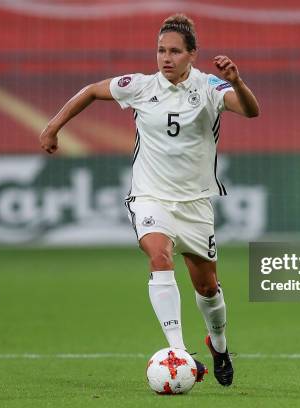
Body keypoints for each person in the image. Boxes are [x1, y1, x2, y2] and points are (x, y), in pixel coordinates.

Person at [39, 13, 259, 387]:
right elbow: (92, 90)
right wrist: (52, 126)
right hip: (149, 196)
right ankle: (178, 352)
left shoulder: (210, 87)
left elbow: (251, 110)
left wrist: (237, 81)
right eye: (160, 50)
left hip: (195, 204)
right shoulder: (139, 86)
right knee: (159, 255)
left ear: (193, 54)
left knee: (207, 288)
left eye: (175, 51)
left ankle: (219, 346)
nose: (166, 58)